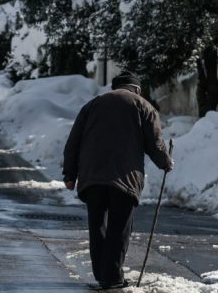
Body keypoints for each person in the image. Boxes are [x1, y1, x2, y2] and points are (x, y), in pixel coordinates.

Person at [62, 71, 173, 290]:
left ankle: (102, 275)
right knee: (119, 228)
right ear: (137, 89)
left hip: (92, 177)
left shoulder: (92, 105)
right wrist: (166, 163)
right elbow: (155, 144)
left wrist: (69, 175)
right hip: (125, 178)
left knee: (98, 227)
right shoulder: (143, 106)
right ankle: (111, 278)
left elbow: (73, 141)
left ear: (115, 87)